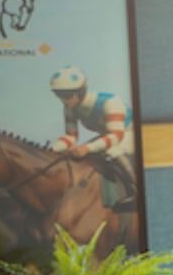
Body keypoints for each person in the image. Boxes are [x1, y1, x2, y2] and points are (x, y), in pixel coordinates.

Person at [48, 65, 138, 207]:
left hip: (130, 132)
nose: (64, 101)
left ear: (81, 92)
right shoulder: (69, 108)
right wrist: (51, 149)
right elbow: (71, 136)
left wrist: (87, 148)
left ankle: (135, 192)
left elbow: (116, 135)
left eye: (67, 95)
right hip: (110, 135)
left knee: (112, 152)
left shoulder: (110, 102)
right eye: (59, 95)